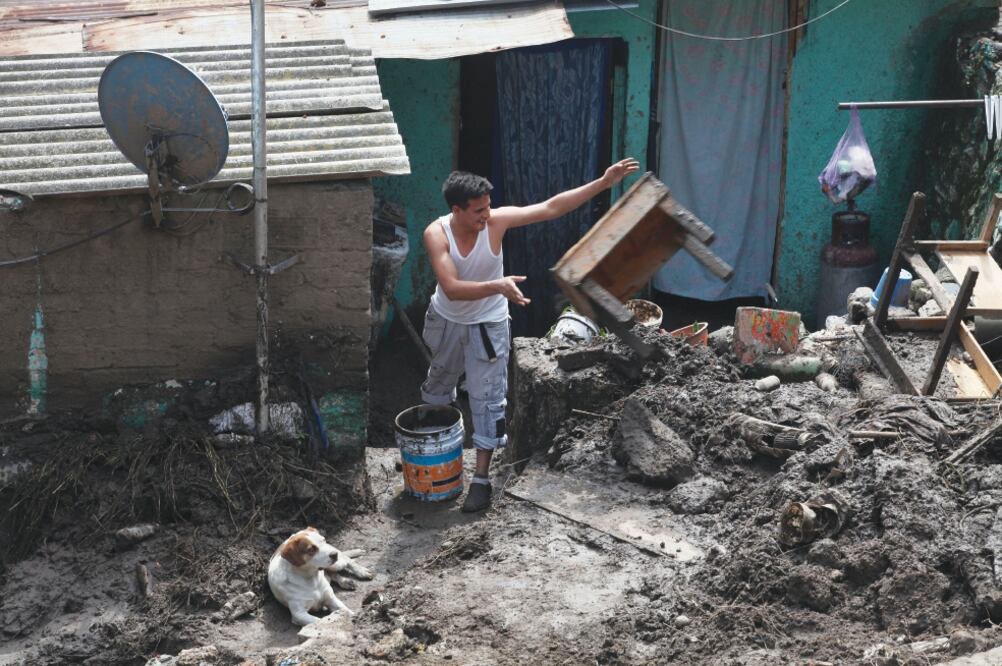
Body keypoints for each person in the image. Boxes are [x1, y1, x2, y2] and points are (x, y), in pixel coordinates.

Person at [420, 158, 640, 512]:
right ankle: (435, 453)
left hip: (488, 324)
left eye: (488, 207)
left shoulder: (495, 223)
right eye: (478, 211)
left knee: (488, 398)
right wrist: (498, 285)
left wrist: (603, 181)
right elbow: (452, 288)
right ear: (456, 210)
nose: (486, 216)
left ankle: (480, 480)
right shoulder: (436, 234)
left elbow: (551, 208)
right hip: (446, 320)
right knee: (439, 383)